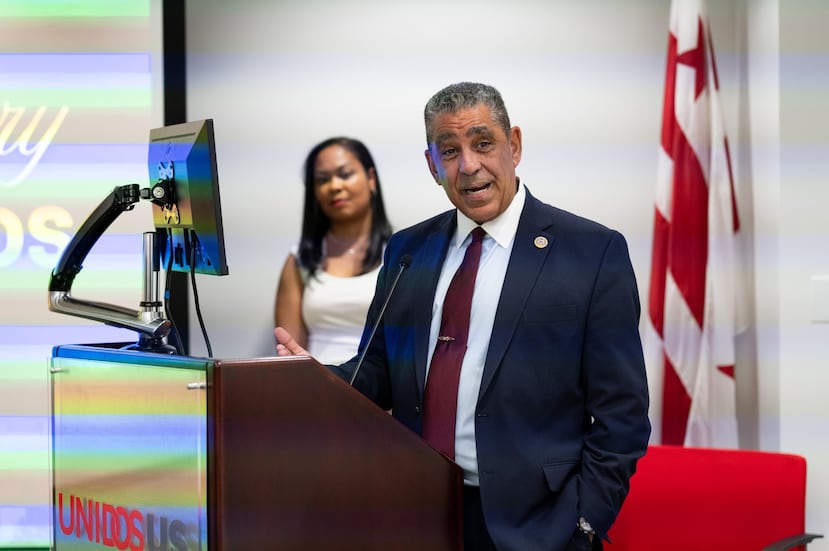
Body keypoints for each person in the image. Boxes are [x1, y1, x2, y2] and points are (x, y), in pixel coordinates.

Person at [275, 82, 650, 550]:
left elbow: (623, 412)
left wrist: (585, 521)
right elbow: (378, 370)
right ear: (432, 165)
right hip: (420, 514)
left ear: (514, 145)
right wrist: (314, 380)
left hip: (539, 526)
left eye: (483, 143)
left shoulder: (591, 252)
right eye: (449, 151)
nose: (468, 166)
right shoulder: (409, 250)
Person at [274, 137, 392, 364]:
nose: (335, 186)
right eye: (322, 179)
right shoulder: (300, 259)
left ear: (371, 179)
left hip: (380, 384)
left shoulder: (401, 253)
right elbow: (288, 354)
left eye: (345, 174)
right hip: (314, 383)